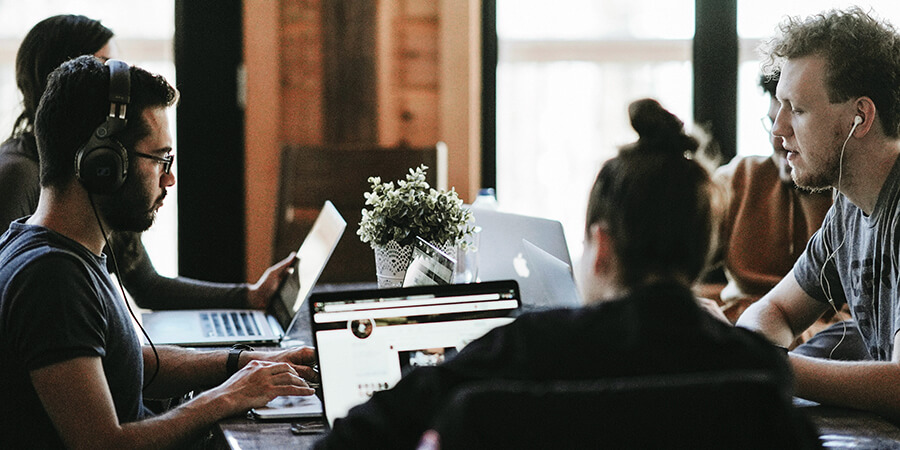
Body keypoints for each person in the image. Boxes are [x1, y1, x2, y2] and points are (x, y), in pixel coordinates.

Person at [317, 99, 797, 448]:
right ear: (702, 250)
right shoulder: (758, 369)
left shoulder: (525, 348)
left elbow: (355, 438)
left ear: (602, 246)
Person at [0, 56, 319, 448]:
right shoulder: (52, 279)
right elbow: (104, 445)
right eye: (160, 159)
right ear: (103, 164)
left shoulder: (49, 249)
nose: (169, 177)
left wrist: (245, 362)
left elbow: (136, 362)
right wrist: (228, 396)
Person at [0, 14, 291, 311]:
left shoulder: (110, 172)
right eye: (103, 68)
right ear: (64, 77)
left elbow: (148, 286)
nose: (119, 87)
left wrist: (250, 296)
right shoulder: (19, 174)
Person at [736, 7, 900, 419]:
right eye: (779, 107)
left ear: (859, 117)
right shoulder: (848, 207)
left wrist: (770, 366)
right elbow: (774, 310)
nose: (778, 129)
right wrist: (755, 353)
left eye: (798, 109)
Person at [703, 72, 869, 360]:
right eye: (771, 122)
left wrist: (759, 351)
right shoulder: (739, 178)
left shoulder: (853, 202)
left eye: (797, 120)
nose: (777, 137)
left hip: (820, 341)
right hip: (750, 328)